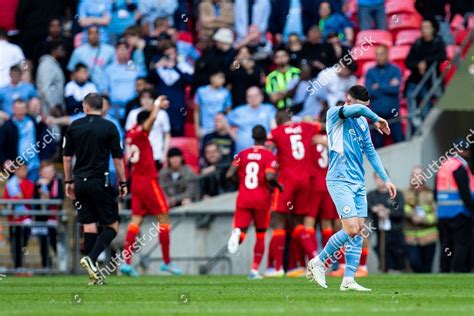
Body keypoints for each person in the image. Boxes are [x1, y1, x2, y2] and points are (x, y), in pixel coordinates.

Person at [307, 85, 396, 292]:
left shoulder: (363, 123)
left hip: (358, 182)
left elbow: (371, 152)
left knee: (359, 232)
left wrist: (386, 179)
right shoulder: (335, 115)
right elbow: (359, 110)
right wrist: (376, 118)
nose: (364, 111)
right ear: (348, 101)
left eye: (367, 108)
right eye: (361, 107)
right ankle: (318, 262)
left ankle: (349, 280)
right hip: (339, 180)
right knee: (351, 228)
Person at [62, 93, 128, 285]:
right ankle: (91, 259)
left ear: (86, 106)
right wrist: (123, 183)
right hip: (101, 181)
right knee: (112, 227)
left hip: (80, 182)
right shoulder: (109, 127)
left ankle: (93, 275)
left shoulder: (74, 126)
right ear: (102, 107)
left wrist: (68, 182)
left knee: (89, 225)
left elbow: (66, 158)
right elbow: (117, 159)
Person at [121, 96, 182, 276]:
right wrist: (156, 105)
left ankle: (126, 263)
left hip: (136, 183)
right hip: (148, 181)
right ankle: (167, 262)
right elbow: (150, 121)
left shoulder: (130, 134)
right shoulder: (141, 133)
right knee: (163, 218)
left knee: (135, 222)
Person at [265, 110, 322, 277]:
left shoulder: (276, 132)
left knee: (279, 222)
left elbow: (269, 150)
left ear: (277, 120)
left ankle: (277, 269)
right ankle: (314, 259)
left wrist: (269, 169)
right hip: (305, 180)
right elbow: (324, 126)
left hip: (286, 181)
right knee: (298, 222)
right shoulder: (306, 126)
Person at [226, 125, 282, 279]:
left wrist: (241, 180)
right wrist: (278, 186)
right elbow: (270, 177)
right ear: (265, 139)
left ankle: (237, 233)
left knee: (241, 230)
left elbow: (229, 174)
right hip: (261, 199)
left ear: (252, 136)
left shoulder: (241, 154)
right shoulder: (269, 156)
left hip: (244, 196)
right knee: (261, 235)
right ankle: (254, 270)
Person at [436, 138, 474, 273]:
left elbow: (437, 191)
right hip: (459, 212)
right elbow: (465, 193)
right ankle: (459, 270)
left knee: (446, 244)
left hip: (443, 213)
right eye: (466, 149)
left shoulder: (444, 165)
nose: (468, 152)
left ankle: (444, 270)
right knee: (461, 244)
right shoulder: (459, 167)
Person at [405, 19, 446, 124]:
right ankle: (414, 122)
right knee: (411, 94)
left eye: (427, 27)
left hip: (430, 81)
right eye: (423, 27)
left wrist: (425, 61)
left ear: (433, 29)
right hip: (416, 80)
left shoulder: (438, 42)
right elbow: (408, 62)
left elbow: (442, 56)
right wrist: (418, 64)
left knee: (426, 110)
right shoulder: (417, 43)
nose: (424, 30)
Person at [365, 45, 404, 148]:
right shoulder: (370, 72)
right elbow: (369, 92)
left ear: (387, 55)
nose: (379, 57)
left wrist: (378, 86)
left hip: (393, 113)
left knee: (400, 143)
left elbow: (395, 89)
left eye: (381, 54)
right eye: (377, 54)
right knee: (378, 147)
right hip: (377, 116)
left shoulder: (395, 70)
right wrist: (388, 85)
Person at [368, 172, 405, 273]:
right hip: (379, 231)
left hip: (395, 231)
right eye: (378, 178)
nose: (380, 181)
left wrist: (387, 211)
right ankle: (384, 270)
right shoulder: (371, 195)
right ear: (375, 179)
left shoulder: (396, 194)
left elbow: (401, 211)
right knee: (382, 253)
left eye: (383, 178)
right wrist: (375, 209)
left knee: (397, 255)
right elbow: (367, 209)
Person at [125, 89, 171, 170]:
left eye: (149, 98)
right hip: (138, 155)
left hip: (156, 154)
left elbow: (167, 136)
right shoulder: (133, 114)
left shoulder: (162, 114)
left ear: (153, 99)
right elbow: (128, 137)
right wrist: (128, 153)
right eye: (143, 98)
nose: (146, 101)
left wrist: (164, 154)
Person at [404, 166, 438, 273]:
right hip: (411, 237)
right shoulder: (404, 193)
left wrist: (424, 219)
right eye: (415, 174)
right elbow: (400, 207)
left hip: (429, 237)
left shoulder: (430, 193)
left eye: (419, 174)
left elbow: (437, 213)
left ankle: (427, 289)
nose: (417, 177)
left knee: (427, 267)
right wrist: (411, 214)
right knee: (414, 263)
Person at [0, 99, 42, 181]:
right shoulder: (7, 126)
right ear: (13, 109)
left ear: (26, 109)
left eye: (22, 109)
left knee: (32, 190)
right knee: (17, 192)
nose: (20, 112)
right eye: (17, 109)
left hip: (34, 165)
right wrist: (4, 161)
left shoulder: (32, 121)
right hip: (16, 166)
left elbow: (42, 136)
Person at [67, 26, 116, 94]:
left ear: (100, 35)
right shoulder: (78, 51)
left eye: (96, 33)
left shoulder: (110, 50)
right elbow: (72, 73)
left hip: (105, 90)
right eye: (91, 33)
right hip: (85, 91)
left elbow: (115, 69)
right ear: (87, 35)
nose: (94, 36)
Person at [227, 87, 275, 153]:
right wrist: (235, 137)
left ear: (261, 97)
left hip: (264, 152)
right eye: (250, 96)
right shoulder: (239, 111)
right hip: (242, 153)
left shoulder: (269, 109)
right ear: (246, 98)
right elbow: (223, 120)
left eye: (256, 95)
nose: (253, 98)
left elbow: (274, 129)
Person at [34, 161, 63, 268]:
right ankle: (46, 265)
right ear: (41, 172)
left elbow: (60, 198)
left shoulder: (57, 182)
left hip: (54, 218)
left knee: (54, 241)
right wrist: (41, 188)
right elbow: (34, 201)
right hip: (41, 219)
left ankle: (61, 264)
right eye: (46, 171)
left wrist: (48, 194)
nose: (49, 173)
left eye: (51, 171)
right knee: (43, 243)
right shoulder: (37, 183)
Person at [105, 40, 144, 120]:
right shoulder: (109, 69)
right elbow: (105, 90)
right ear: (116, 51)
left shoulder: (134, 67)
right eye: (120, 49)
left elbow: (142, 86)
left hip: (132, 108)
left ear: (129, 51)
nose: (122, 52)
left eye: (125, 49)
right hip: (113, 108)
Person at [4, 164, 34, 269]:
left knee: (23, 242)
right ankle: (17, 266)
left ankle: (20, 264)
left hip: (25, 219)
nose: (23, 171)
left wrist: (18, 198)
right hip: (14, 219)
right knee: (14, 242)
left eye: (25, 169)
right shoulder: (10, 184)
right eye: (21, 169)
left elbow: (28, 197)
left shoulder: (30, 184)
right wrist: (17, 198)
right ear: (15, 171)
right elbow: (6, 199)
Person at [194, 71, 232, 138]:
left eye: (223, 78)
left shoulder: (226, 92)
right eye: (220, 77)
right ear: (212, 78)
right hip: (205, 129)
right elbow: (196, 111)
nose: (223, 80)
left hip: (221, 129)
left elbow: (229, 112)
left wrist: (228, 128)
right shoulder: (201, 91)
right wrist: (197, 128)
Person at [36, 41, 66, 115]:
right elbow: (45, 87)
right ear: (54, 50)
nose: (64, 52)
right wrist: (52, 105)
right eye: (61, 49)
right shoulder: (47, 65)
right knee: (51, 126)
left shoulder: (54, 64)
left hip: (56, 104)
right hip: (48, 106)